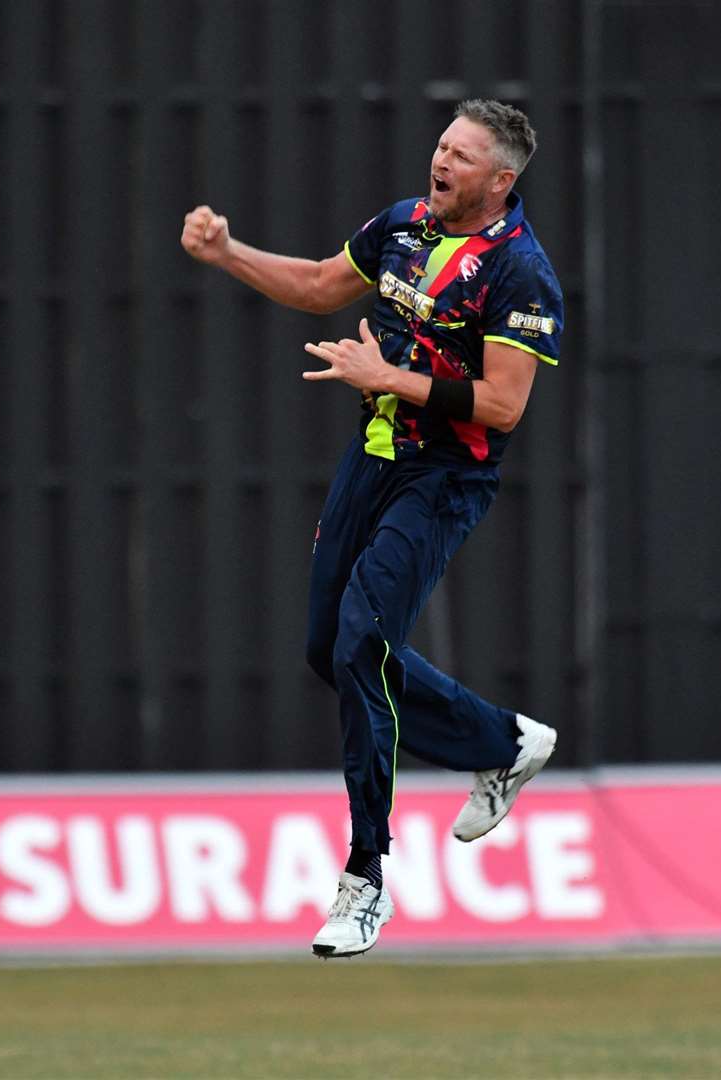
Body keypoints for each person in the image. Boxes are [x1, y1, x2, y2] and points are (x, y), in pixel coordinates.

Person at [180, 99, 564, 958]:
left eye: (463, 158)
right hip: (374, 460)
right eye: (442, 146)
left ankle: (365, 878)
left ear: (501, 181)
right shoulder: (403, 226)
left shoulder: (521, 274)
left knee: (362, 644)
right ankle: (501, 742)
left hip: (444, 480)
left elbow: (503, 406)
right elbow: (320, 284)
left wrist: (388, 372)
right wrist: (227, 252)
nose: (442, 163)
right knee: (330, 651)